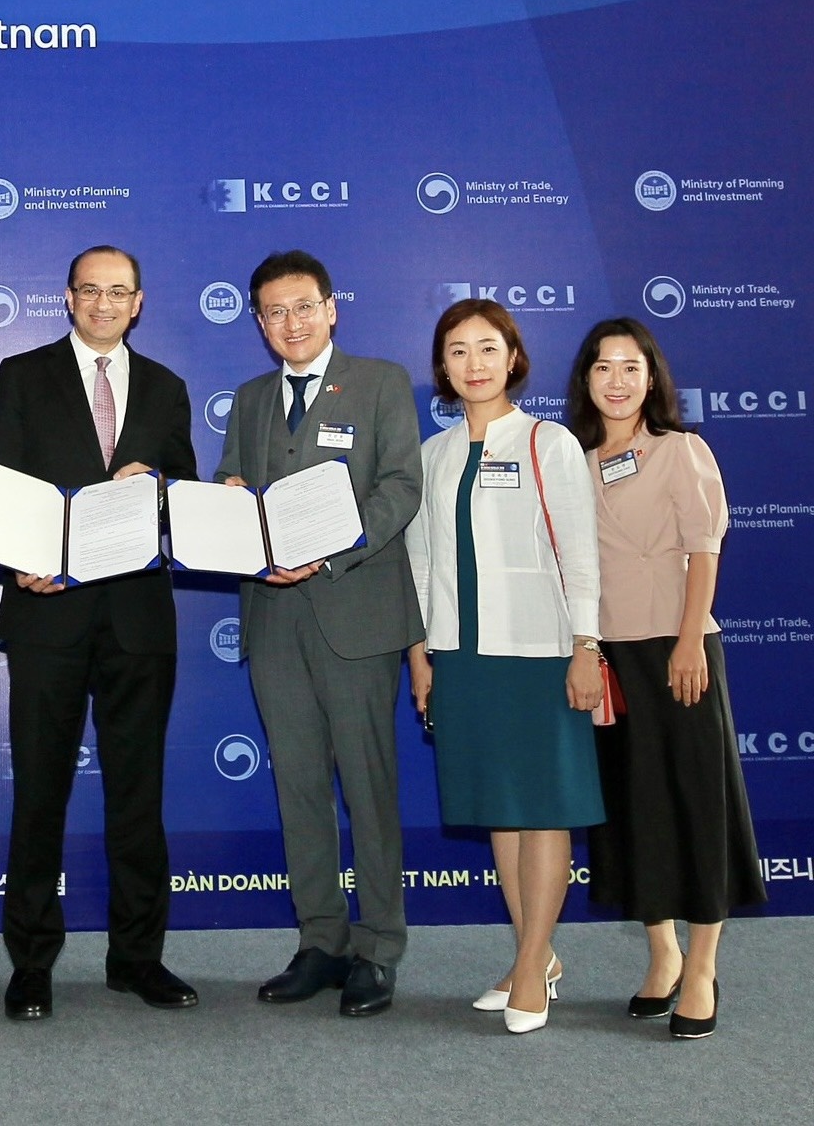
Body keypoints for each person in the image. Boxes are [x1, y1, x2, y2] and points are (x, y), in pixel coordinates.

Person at [0, 246, 199, 1021]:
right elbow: (4, 483)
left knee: (139, 796)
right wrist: (22, 560)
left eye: (118, 291)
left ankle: (137, 957)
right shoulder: (21, 374)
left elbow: (184, 499)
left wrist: (162, 488)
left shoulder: (168, 386)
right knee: (39, 793)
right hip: (47, 612)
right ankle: (31, 962)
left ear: (138, 301)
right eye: (89, 290)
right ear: (68, 297)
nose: (103, 303)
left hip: (138, 620)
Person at [214, 250, 422, 1018]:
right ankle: (321, 939)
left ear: (332, 308)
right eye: (274, 311)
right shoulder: (249, 398)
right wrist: (232, 501)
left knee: (367, 787)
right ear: (259, 322)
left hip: (355, 610)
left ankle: (379, 946)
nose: (290, 322)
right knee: (298, 784)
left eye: (303, 305)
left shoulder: (382, 382)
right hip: (273, 618)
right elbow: (232, 481)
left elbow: (400, 486)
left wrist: (330, 550)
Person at [406, 298, 605, 1034]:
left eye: (488, 348)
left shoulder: (548, 442)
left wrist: (586, 645)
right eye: (458, 351)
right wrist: (420, 652)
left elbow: (580, 552)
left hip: (538, 650)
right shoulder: (432, 455)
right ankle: (536, 956)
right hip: (462, 654)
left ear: (513, 358)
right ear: (443, 366)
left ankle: (528, 968)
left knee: (543, 808)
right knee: (501, 808)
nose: (474, 364)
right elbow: (420, 561)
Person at [567, 318, 764, 1040]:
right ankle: (663, 955)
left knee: (697, 803)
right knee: (636, 807)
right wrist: (585, 648)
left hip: (680, 651)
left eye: (631, 366)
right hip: (612, 656)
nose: (616, 381)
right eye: (603, 367)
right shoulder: (575, 460)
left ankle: (703, 966)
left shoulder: (681, 449)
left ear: (651, 377)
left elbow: (703, 549)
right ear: (586, 380)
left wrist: (688, 641)